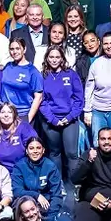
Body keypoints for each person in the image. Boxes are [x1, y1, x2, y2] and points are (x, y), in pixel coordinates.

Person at [37, 46, 83, 180]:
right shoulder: (42, 76)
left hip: (70, 119)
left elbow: (78, 99)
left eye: (57, 57)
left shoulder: (71, 74)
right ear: (46, 58)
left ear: (62, 58)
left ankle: (75, 184)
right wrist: (53, 119)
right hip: (51, 120)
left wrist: (69, 117)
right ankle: (58, 184)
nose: (54, 60)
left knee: (71, 153)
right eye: (51, 57)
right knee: (54, 152)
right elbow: (42, 101)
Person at [12, 135, 71, 219]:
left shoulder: (50, 166)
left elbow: (56, 195)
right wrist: (36, 195)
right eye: (31, 148)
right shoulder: (19, 166)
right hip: (25, 205)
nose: (35, 151)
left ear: (43, 150)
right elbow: (17, 191)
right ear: (26, 151)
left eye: (38, 148)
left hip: (45, 206)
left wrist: (51, 217)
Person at [0, 38, 44, 123]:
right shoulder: (7, 66)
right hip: (5, 114)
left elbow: (38, 97)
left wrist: (28, 119)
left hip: (22, 114)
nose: (14, 52)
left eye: (18, 48)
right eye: (12, 49)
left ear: (24, 49)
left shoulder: (32, 71)